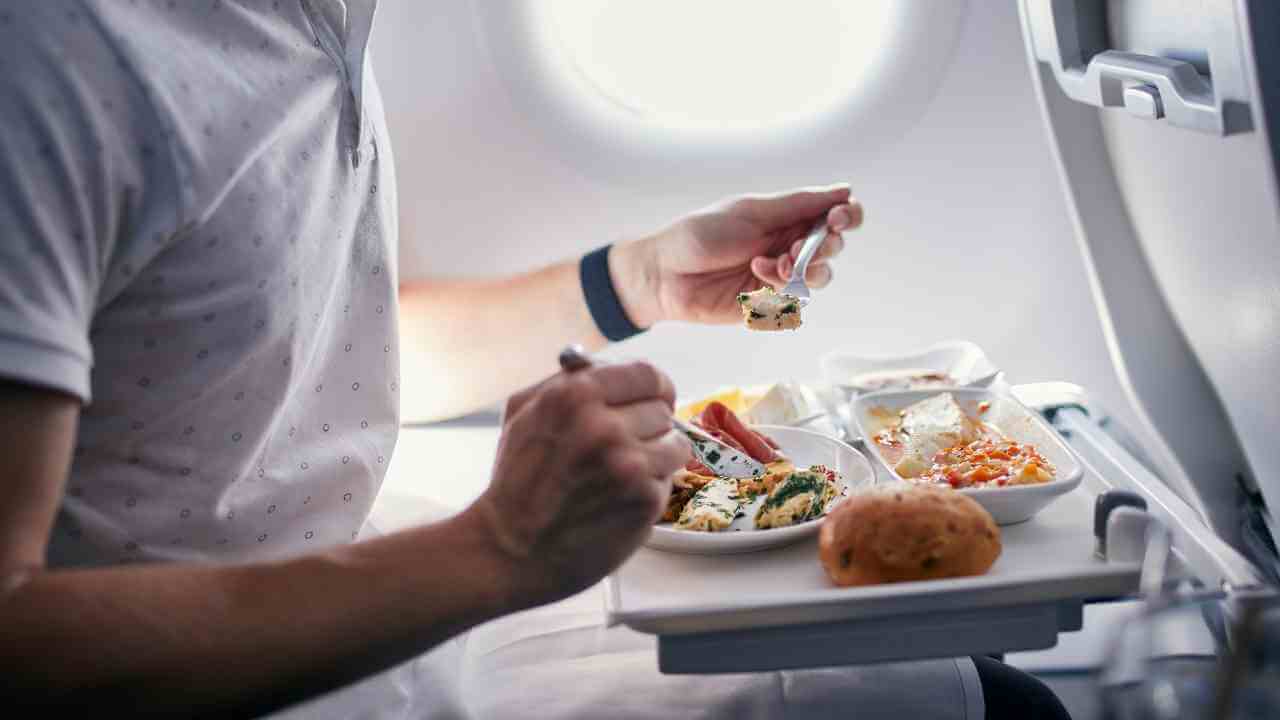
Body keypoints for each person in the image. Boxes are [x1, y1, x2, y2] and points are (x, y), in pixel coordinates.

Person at [0, 2, 1068, 719]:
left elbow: (303, 360)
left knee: (978, 690)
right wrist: (496, 548)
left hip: (382, 614)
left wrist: (637, 281)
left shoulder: (319, 20)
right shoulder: (54, 61)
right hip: (262, 677)